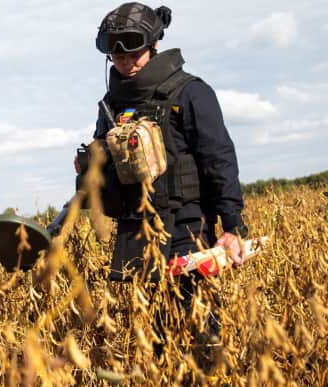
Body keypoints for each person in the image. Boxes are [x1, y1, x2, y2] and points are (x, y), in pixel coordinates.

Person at [82, 2, 249, 370]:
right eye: (116, 51)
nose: (125, 60)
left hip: (189, 230)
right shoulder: (112, 105)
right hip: (137, 236)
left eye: (133, 48)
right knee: (156, 338)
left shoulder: (189, 92)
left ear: (153, 44)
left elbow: (219, 158)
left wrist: (233, 226)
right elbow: (101, 161)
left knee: (200, 332)